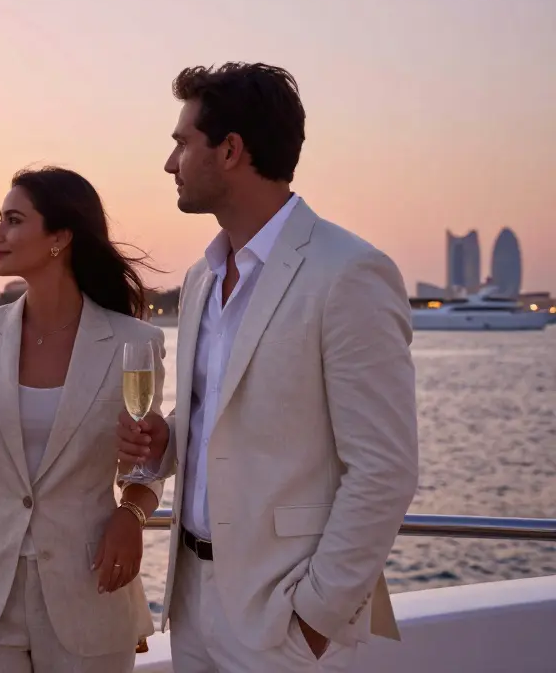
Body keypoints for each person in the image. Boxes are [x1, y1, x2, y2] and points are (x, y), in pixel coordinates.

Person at [121, 62, 419, 672]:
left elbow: (385, 467)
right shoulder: (203, 277)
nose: (169, 163)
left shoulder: (348, 273)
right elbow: (218, 409)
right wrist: (167, 439)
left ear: (230, 150)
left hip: (286, 615)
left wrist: (316, 615)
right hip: (192, 602)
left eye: (182, 142)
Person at [0, 166, 165, 672]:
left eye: (13, 220)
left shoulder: (134, 342)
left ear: (60, 237)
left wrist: (131, 515)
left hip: (90, 586)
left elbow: (146, 461)